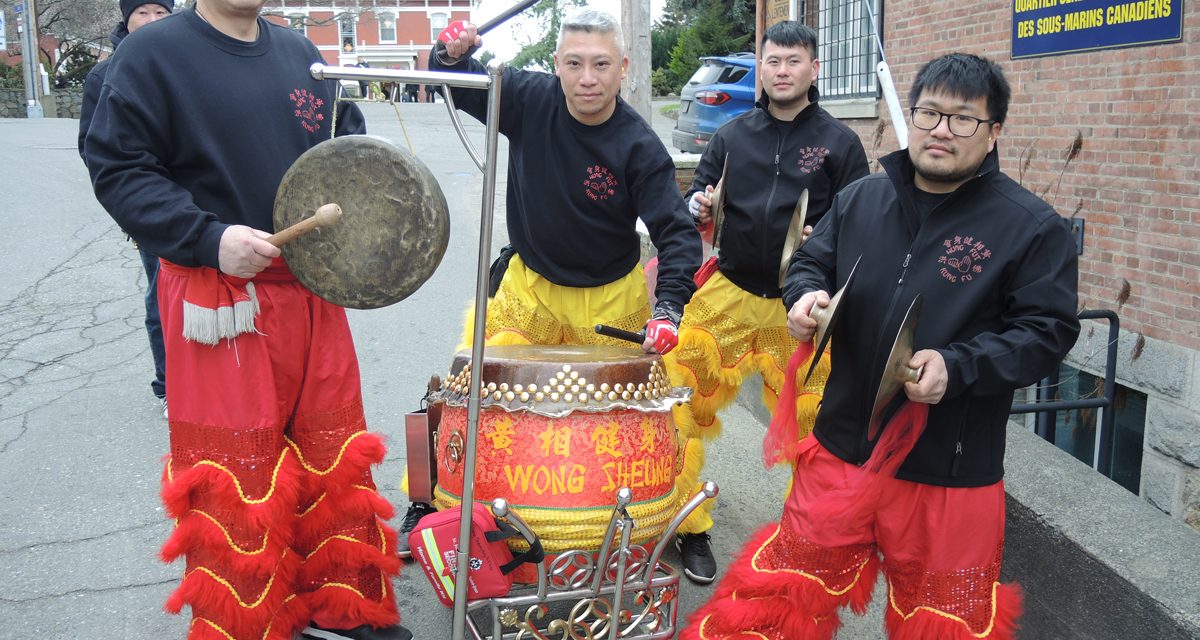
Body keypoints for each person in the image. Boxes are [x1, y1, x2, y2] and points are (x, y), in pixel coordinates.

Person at [683, 53, 1080, 639]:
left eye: (963, 119)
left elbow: (1047, 332)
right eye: (929, 113)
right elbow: (809, 262)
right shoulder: (863, 199)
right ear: (909, 116)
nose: (941, 130)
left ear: (995, 131)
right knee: (777, 601)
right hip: (841, 443)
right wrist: (804, 297)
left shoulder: (1030, 227)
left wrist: (958, 366)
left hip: (950, 468)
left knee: (940, 623)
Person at [82, 2, 410, 639]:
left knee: (329, 450)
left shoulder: (299, 54)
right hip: (218, 290)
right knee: (239, 471)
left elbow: (340, 153)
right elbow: (117, 167)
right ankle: (249, 623)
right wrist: (205, 236)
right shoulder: (152, 55)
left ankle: (342, 606)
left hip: (311, 289)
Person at [395, 8, 702, 555]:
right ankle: (432, 498)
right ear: (557, 65)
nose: (588, 78)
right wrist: (451, 53)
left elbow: (678, 235)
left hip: (613, 298)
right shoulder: (528, 99)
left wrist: (668, 310)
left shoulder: (639, 147)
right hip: (530, 287)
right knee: (472, 391)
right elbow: (456, 83)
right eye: (576, 63)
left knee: (659, 412)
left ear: (623, 67)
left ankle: (686, 524)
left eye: (602, 64)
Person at [665, 21, 868, 584]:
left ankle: (807, 540)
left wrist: (824, 238)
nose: (781, 70)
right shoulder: (732, 136)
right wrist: (699, 205)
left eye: (793, 61)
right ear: (763, 68)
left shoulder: (841, 143)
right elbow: (698, 197)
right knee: (677, 399)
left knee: (818, 425)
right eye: (772, 61)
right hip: (728, 290)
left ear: (814, 70)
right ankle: (688, 525)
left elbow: (865, 224)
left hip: (801, 303)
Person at [78, 0, 173, 419]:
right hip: (154, 208)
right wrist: (136, 210)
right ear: (126, 18)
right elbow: (98, 151)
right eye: (141, 13)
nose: (151, 22)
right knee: (162, 297)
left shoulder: (184, 62)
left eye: (160, 13)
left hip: (209, 204)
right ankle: (168, 383)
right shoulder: (106, 74)